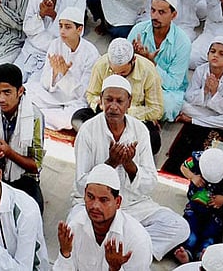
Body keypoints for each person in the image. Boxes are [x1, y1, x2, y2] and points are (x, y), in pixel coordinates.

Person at [73, 75, 190, 261]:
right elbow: (81, 185)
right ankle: (127, 249)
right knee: (75, 225)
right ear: (101, 100)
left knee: (179, 226)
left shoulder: (140, 130)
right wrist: (110, 163)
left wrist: (129, 165)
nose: (113, 106)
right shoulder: (88, 130)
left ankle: (124, 253)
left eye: (119, 101)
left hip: (133, 205)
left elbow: (150, 183)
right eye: (108, 100)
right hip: (96, 204)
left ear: (129, 103)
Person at [55, 164, 153, 271]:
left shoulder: (137, 240)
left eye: (104, 200)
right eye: (90, 197)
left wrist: (115, 269)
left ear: (118, 202)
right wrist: (65, 253)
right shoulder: (75, 227)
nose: (95, 206)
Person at [74, 38, 165, 154]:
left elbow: (156, 109)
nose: (118, 77)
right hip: (105, 114)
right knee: (78, 118)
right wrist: (100, 104)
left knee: (154, 142)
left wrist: (125, 111)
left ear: (133, 60)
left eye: (123, 73)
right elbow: (91, 94)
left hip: (133, 118)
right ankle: (115, 145)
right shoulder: (101, 65)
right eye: (114, 72)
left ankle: (105, 144)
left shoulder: (148, 71)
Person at [0, 64, 45, 210]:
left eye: (7, 92)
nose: (1, 99)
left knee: (33, 210)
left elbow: (35, 166)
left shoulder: (34, 117)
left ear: (20, 91)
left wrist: (9, 153)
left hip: (24, 178)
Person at [17, 0, 87, 82]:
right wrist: (41, 15)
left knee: (33, 89)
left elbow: (77, 35)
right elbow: (26, 27)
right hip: (30, 50)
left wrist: (54, 16)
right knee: (12, 80)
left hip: (57, 54)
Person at [25, 7, 99, 131]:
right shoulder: (55, 44)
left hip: (75, 101)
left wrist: (65, 74)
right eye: (60, 26)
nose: (62, 31)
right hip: (54, 94)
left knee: (71, 118)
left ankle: (33, 114)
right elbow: (44, 82)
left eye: (68, 27)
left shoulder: (91, 53)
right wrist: (54, 73)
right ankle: (34, 113)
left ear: (79, 30)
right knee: (26, 90)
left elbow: (84, 93)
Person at [127, 0, 192, 122]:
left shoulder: (183, 42)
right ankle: (144, 115)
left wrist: (151, 64)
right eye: (153, 11)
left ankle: (134, 114)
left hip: (166, 90)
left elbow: (173, 83)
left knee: (167, 106)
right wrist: (133, 60)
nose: (155, 16)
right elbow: (123, 66)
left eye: (161, 12)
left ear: (173, 15)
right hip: (138, 80)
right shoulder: (138, 30)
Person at [174, 147, 223, 265]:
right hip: (196, 204)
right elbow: (183, 167)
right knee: (190, 225)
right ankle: (187, 250)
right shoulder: (197, 159)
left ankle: (203, 253)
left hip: (217, 208)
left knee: (212, 231)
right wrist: (193, 177)